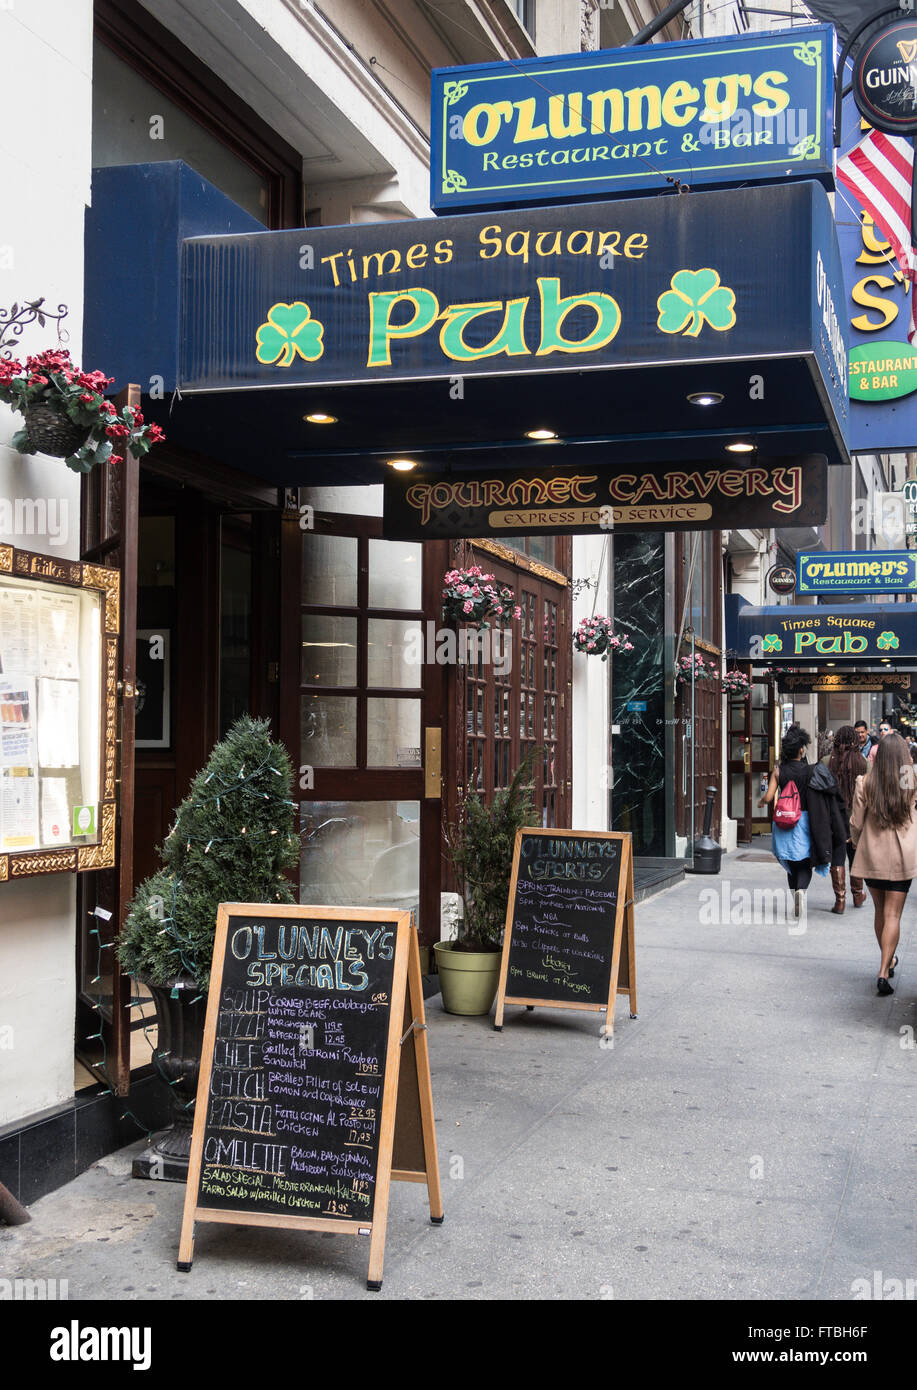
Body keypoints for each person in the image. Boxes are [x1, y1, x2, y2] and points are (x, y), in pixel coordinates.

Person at [850, 731, 917, 996]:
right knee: (893, 915)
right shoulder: (910, 780)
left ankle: (887, 963)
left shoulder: (865, 782)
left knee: (880, 912)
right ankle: (883, 969)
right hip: (902, 856)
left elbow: (856, 822)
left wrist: (857, 843)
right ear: (903, 756)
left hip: (873, 854)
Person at [758, 724, 848, 918]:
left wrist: (760, 802)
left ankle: (795, 896)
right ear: (801, 749)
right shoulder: (811, 771)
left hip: (783, 823)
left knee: (791, 863)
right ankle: (801, 893)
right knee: (804, 863)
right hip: (805, 821)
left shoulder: (778, 771)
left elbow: (768, 797)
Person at [828, 725, 870, 911]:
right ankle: (858, 894)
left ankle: (840, 900)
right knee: (855, 857)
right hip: (857, 818)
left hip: (833, 817)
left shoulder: (825, 761)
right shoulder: (865, 763)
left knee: (837, 857)